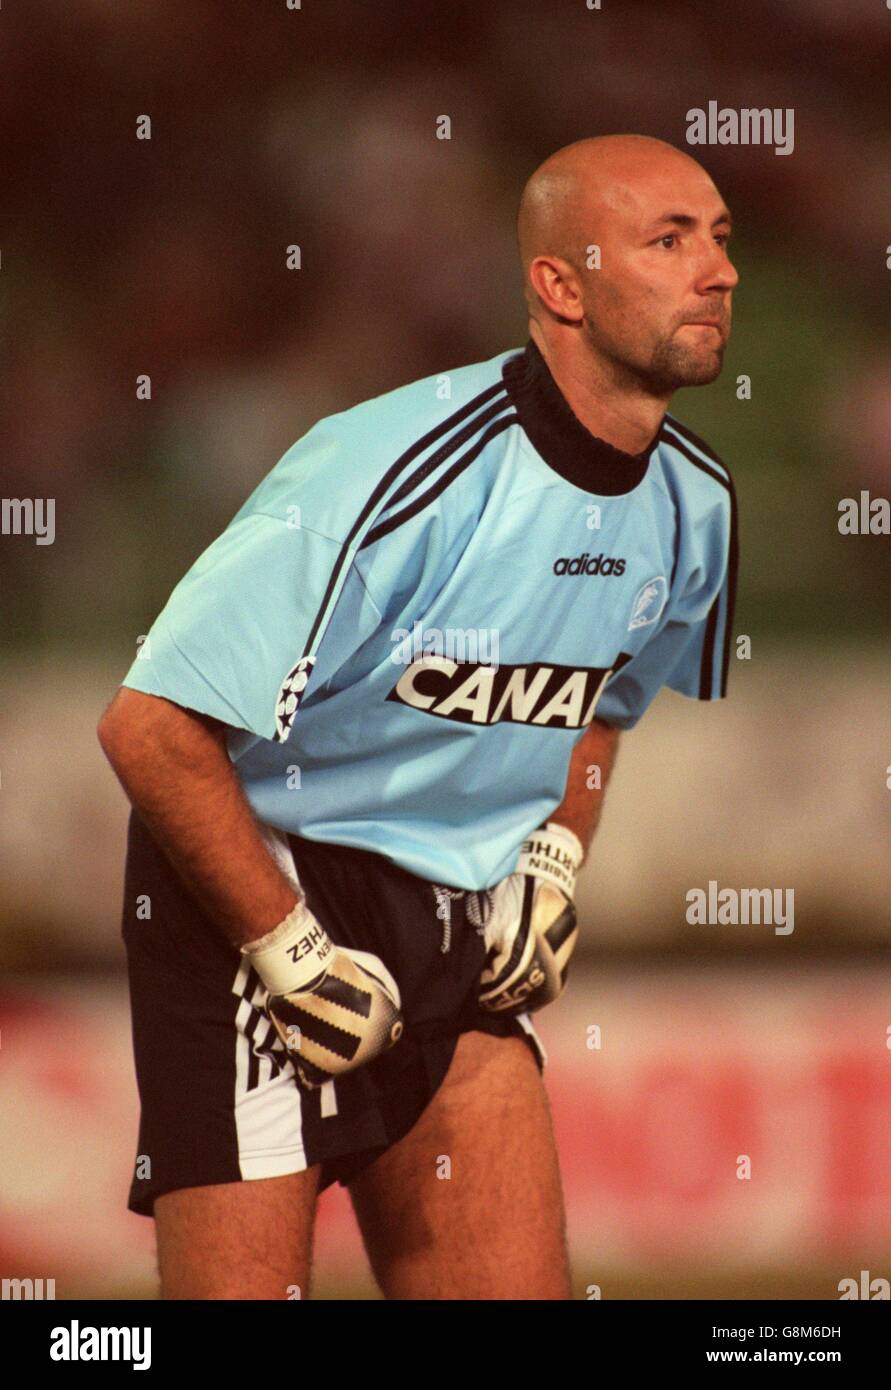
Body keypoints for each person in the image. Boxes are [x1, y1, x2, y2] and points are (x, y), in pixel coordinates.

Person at [97, 133, 739, 1300]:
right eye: (670, 240)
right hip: (262, 888)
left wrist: (554, 850)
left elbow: (604, 701)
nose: (720, 270)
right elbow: (148, 727)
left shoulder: (696, 506)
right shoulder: (386, 469)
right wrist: (285, 948)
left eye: (722, 237)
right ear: (561, 286)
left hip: (459, 914)